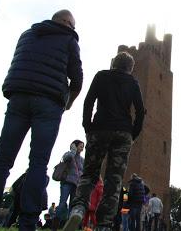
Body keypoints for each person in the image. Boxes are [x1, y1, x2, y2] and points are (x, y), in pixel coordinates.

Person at [0, 9, 83, 229]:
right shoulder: (68, 39)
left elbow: (18, 62)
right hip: (49, 103)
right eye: (72, 26)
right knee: (38, 162)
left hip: (18, 97)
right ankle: (27, 222)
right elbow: (77, 77)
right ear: (67, 24)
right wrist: (69, 101)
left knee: (1, 160)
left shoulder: (28, 34)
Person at [62, 50, 145, 231]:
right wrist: (133, 134)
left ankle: (78, 209)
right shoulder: (133, 82)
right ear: (130, 68)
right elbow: (140, 110)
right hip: (123, 133)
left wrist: (87, 126)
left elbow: (89, 101)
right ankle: (104, 225)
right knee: (114, 181)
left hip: (99, 129)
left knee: (89, 174)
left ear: (114, 63)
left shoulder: (101, 76)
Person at [56, 140, 85, 221]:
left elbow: (83, 171)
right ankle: (56, 221)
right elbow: (66, 158)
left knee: (72, 204)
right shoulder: (69, 154)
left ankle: (68, 224)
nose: (82, 148)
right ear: (75, 146)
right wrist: (73, 150)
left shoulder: (82, 159)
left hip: (76, 184)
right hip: (67, 182)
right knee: (62, 203)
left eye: (83, 146)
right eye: (80, 146)